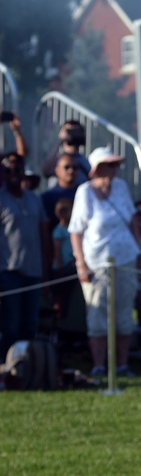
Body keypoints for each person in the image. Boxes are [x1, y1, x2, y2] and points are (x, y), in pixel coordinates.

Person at [68, 146, 141, 378]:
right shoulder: (84, 192)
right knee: (98, 315)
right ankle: (100, 365)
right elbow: (76, 231)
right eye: (110, 164)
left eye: (116, 164)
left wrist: (139, 252)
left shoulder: (121, 187)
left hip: (126, 259)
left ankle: (122, 364)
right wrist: (81, 264)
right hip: (97, 263)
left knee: (124, 314)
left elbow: (132, 221)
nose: (114, 169)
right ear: (98, 167)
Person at [0, 153, 45, 358]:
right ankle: (8, 367)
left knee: (31, 323)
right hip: (9, 271)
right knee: (11, 323)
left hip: (34, 269)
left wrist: (49, 264)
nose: (13, 175)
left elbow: (43, 232)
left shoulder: (34, 199)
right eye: (7, 171)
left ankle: (28, 366)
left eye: (17, 170)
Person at [41, 120, 90, 185]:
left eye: (77, 131)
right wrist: (60, 141)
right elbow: (46, 171)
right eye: (70, 131)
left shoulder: (84, 161)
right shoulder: (57, 159)